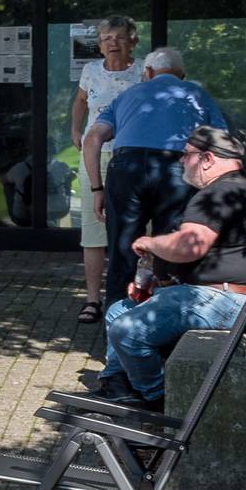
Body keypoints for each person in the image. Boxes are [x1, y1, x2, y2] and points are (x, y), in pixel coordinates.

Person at [96, 125, 246, 407]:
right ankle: (117, 386)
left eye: (186, 154)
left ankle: (160, 399)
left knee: (126, 329)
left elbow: (190, 247)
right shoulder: (242, 189)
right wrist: (160, 278)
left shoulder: (218, 194)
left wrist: (150, 243)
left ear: (208, 159)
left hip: (222, 299)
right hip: (227, 296)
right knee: (118, 309)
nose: (180, 160)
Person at [86, 46, 235, 299]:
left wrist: (96, 188)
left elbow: (92, 139)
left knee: (123, 249)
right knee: (172, 245)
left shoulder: (127, 95)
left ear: (148, 72)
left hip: (127, 167)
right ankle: (166, 317)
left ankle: (116, 321)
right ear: (182, 75)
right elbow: (222, 140)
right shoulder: (197, 94)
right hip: (176, 169)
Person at [69, 17, 144, 322]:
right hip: (95, 156)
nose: (112, 43)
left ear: (133, 42)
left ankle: (138, 294)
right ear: (99, 44)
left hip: (133, 154)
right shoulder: (90, 71)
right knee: (93, 230)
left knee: (139, 228)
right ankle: (92, 300)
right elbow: (80, 101)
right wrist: (75, 129)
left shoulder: (144, 72)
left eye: (119, 37)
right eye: (106, 38)